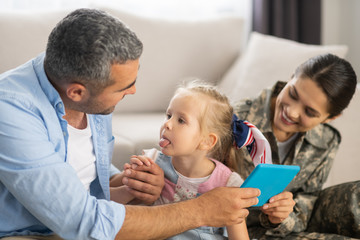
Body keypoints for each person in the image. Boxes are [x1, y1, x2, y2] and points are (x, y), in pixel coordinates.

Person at [0, 8, 261, 240]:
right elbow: (86, 223)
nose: (134, 91)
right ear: (77, 92)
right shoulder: (10, 111)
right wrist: (202, 209)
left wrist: (128, 181)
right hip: (32, 231)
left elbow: (85, 170)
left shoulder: (84, 89)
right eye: (123, 87)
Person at [121, 80, 295, 239]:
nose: (167, 124)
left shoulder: (228, 183)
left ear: (207, 141)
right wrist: (131, 181)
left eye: (181, 120)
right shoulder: (151, 162)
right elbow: (117, 212)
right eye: (168, 115)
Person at [233, 53, 359, 239]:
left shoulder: (326, 141)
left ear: (330, 118)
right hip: (231, 229)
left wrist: (284, 217)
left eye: (309, 111)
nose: (291, 112)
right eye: (292, 94)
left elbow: (308, 201)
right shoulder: (234, 120)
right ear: (292, 77)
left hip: (282, 232)